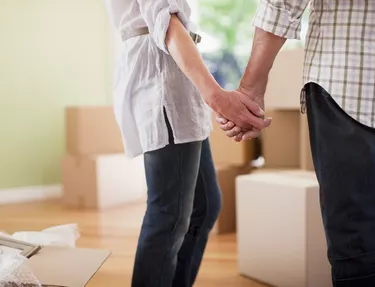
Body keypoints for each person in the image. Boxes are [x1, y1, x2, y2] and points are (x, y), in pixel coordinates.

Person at [104, 1, 271, 286]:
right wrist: (218, 99)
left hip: (175, 77)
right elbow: (166, 24)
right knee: (168, 215)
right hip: (162, 80)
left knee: (204, 206)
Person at [217, 1, 375, 286]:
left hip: (348, 78)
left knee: (356, 245)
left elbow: (283, 3)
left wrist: (250, 87)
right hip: (348, 86)